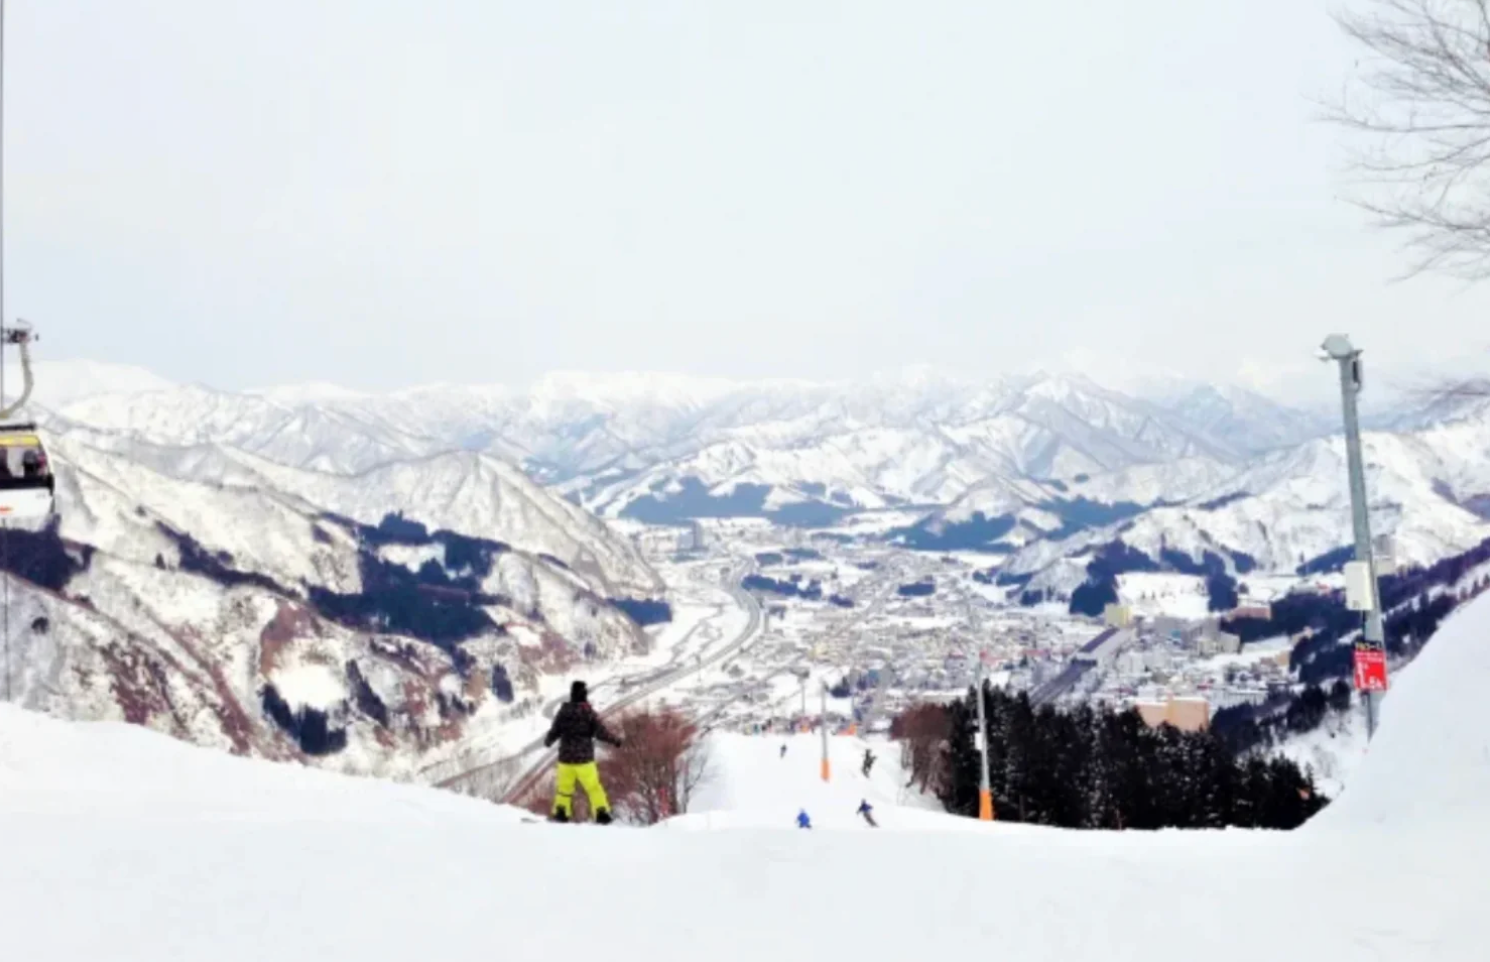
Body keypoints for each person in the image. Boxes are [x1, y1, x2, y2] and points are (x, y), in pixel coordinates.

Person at [543, 680, 622, 823]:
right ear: (584, 694)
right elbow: (601, 732)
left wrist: (548, 741)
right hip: (584, 760)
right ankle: (601, 813)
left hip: (565, 759)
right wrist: (615, 741)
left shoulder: (563, 711)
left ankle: (561, 812)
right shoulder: (588, 712)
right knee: (593, 787)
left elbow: (555, 731)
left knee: (564, 788)